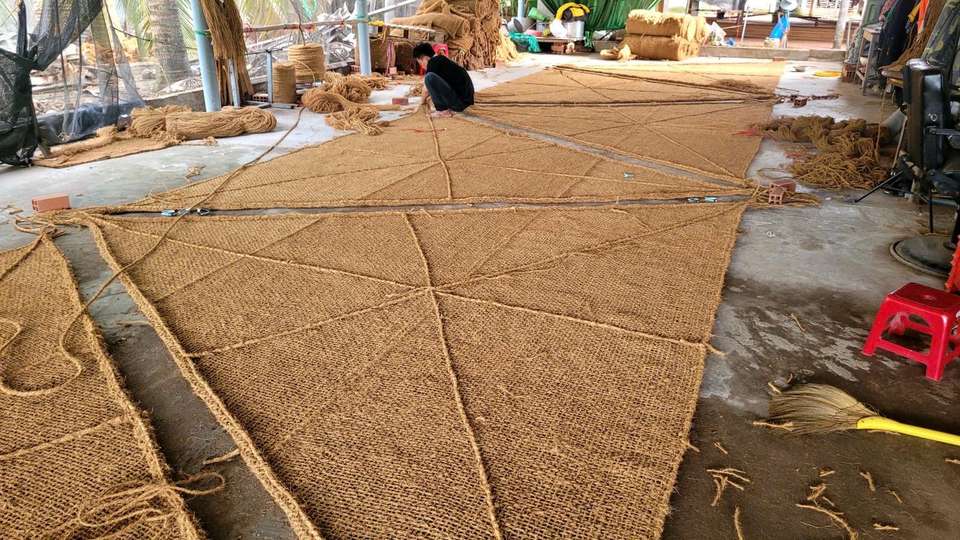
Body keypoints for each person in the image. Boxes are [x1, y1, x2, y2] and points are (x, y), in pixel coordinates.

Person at [413, 42, 474, 117]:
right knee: (430, 78)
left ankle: (443, 111)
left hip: (459, 104)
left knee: (429, 78)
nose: (422, 66)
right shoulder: (441, 60)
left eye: (420, 63)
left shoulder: (433, 62)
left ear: (425, 58)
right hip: (464, 102)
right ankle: (447, 108)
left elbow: (426, 90)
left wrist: (421, 103)